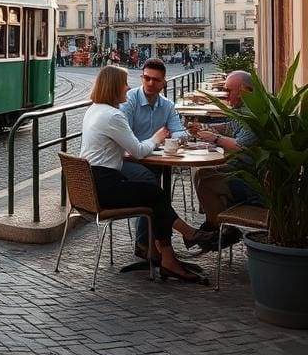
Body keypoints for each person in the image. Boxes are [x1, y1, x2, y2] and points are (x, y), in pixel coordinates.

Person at [80, 66, 217, 282]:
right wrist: (157, 137)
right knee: (156, 194)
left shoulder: (95, 110)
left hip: (92, 183)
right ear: (114, 86)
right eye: (125, 82)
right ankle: (180, 242)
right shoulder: (113, 116)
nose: (128, 87)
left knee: (154, 194)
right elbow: (138, 151)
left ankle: (167, 253)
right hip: (105, 187)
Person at [121, 57, 190, 258]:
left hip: (153, 161)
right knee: (153, 189)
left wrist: (179, 137)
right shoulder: (130, 100)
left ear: (164, 82)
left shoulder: (167, 106)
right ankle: (148, 243)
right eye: (147, 78)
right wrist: (155, 140)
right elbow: (124, 135)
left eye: (156, 80)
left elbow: (178, 130)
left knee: (155, 188)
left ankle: (156, 244)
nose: (151, 83)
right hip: (128, 160)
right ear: (142, 78)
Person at [188, 70, 262, 238]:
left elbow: (240, 146)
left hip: (252, 182)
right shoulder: (245, 110)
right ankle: (218, 225)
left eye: (229, 91)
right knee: (202, 174)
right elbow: (230, 127)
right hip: (242, 170)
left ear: (244, 91)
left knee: (206, 179)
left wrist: (215, 138)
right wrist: (205, 129)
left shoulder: (254, 115)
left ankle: (220, 231)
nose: (225, 95)